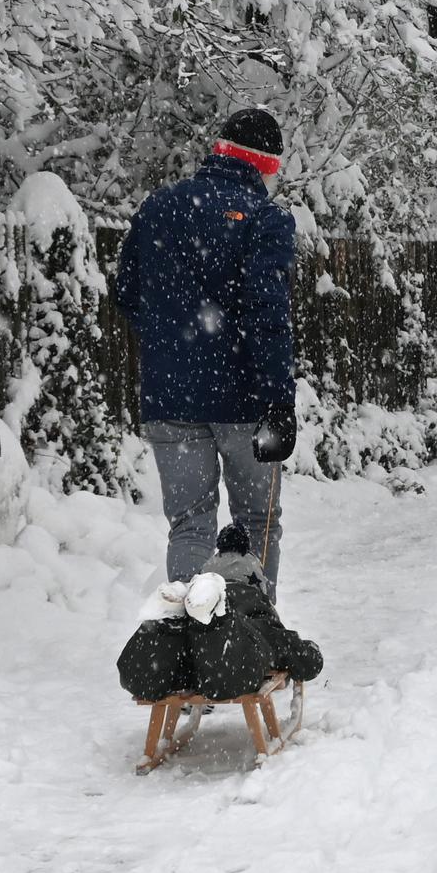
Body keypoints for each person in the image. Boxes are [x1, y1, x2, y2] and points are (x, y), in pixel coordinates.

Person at [114, 107, 298, 602]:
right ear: (267, 166)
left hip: (170, 400)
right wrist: (279, 400)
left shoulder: (158, 207)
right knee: (257, 522)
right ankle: (251, 639)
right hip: (245, 402)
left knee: (190, 525)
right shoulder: (267, 220)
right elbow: (268, 314)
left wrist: (176, 342)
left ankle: (189, 647)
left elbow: (127, 293)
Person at [118, 525, 323, 702]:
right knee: (230, 666)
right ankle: (214, 621)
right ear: (259, 588)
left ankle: (166, 624)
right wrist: (310, 651)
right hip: (226, 663)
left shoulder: (197, 609)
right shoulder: (261, 616)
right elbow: (307, 661)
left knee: (160, 664)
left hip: (190, 654)